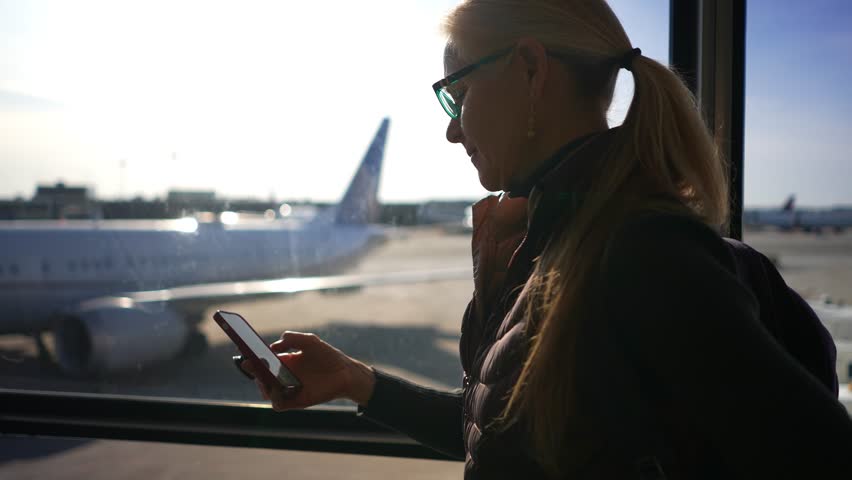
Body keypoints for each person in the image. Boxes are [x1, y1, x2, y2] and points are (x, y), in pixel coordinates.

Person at [243, 0, 852, 477]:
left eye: (456, 94)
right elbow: (503, 429)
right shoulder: (560, 244)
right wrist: (357, 382)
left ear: (531, 71)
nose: (452, 133)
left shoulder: (643, 257)